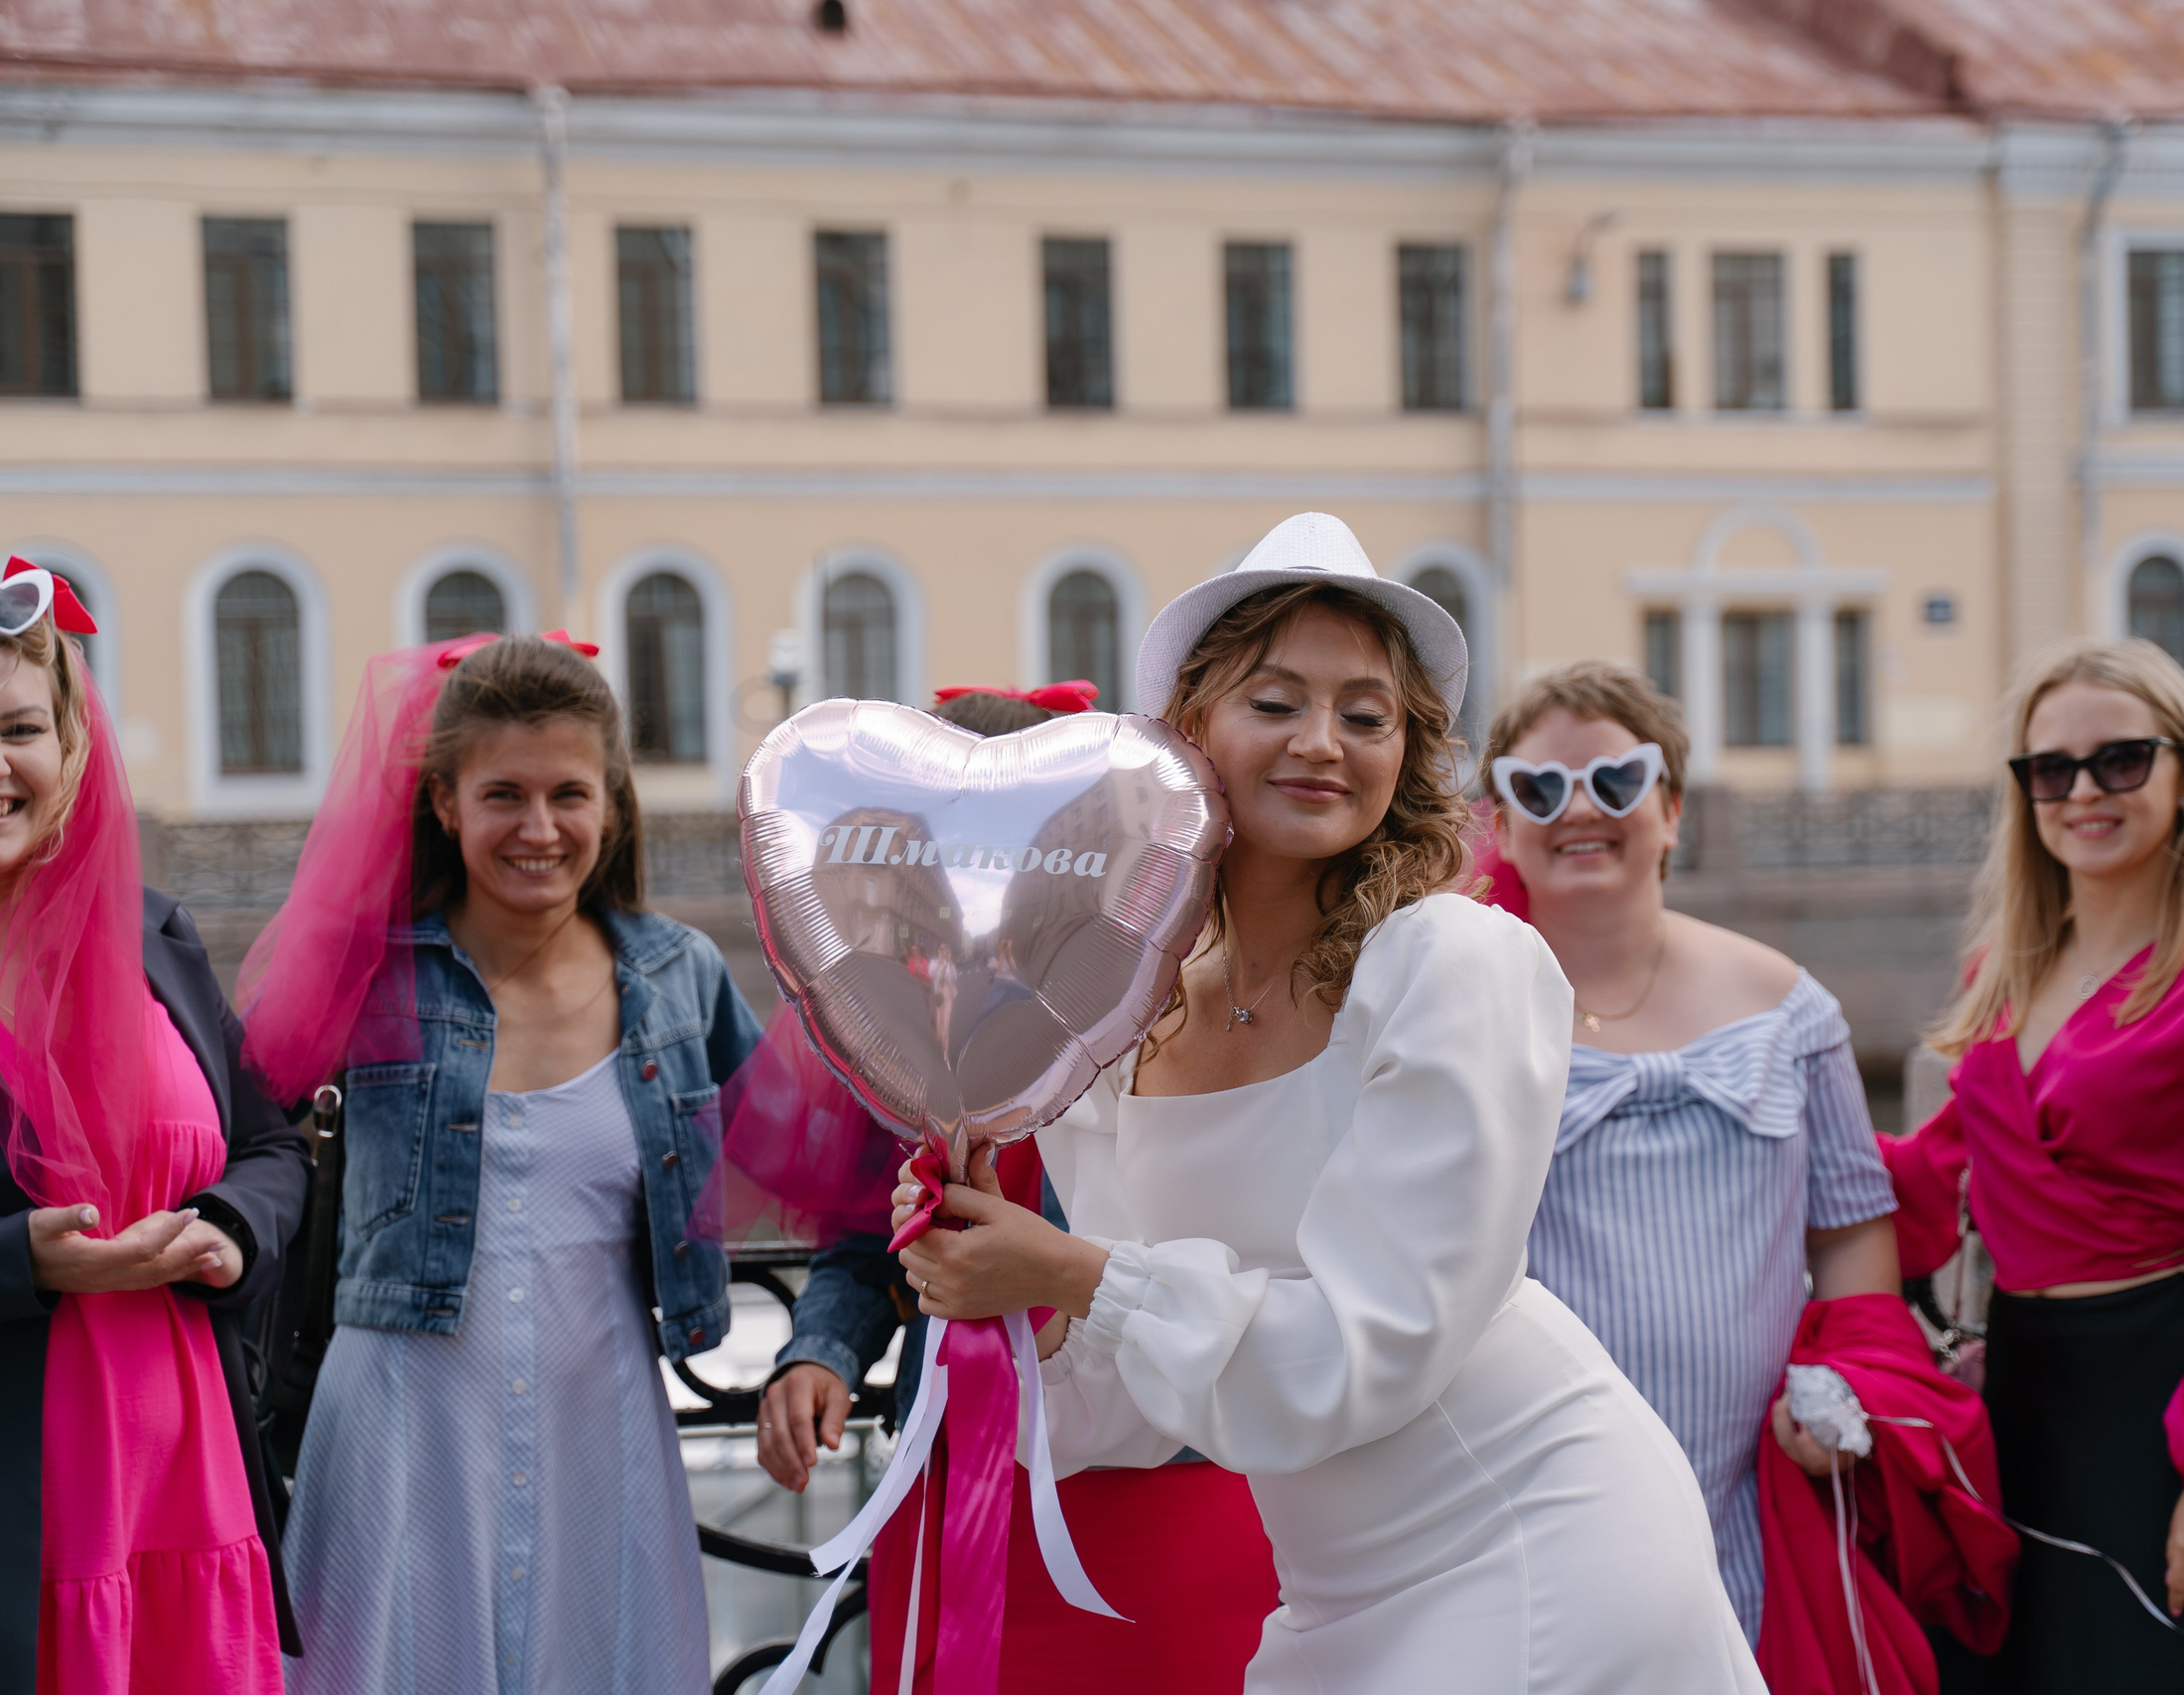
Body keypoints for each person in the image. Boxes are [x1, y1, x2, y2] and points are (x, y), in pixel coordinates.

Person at [889, 512, 1763, 1693]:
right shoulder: (1112, 1014)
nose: (1323, 744)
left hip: (1538, 1532)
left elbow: (1376, 1346)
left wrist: (1068, 1272)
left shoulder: (1453, 967)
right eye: (1276, 701)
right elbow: (1135, 1409)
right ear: (1190, 725)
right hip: (1338, 1589)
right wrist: (1010, 1283)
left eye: (1366, 716)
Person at [242, 635, 760, 1695]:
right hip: (397, 1443)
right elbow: (240, 1154)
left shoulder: (679, 978)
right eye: (502, 795)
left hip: (602, 1442)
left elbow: (829, 1162)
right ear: (445, 803)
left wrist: (825, 1354)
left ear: (610, 801)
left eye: (568, 793)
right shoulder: (363, 977)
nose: (539, 829)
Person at [756, 678, 1282, 1693]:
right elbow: (871, 1245)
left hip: (1159, 1483)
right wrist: (817, 1353)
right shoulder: (891, 1019)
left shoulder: (1175, 1002)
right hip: (957, 1477)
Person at [1882, 636, 2184, 1692]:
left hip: (2169, 1396)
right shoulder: (1999, 977)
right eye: (2051, 769)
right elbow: (1926, 1182)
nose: (2082, 790)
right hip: (2027, 1391)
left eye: (2120, 760)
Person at [1478, 659, 1903, 1639]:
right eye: (1540, 788)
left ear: (1669, 810)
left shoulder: (1789, 1006)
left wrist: (1846, 1382)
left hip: (1754, 1495)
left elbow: (1848, 1229)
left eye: (1615, 781)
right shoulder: (1464, 1016)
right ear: (1499, 824)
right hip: (1535, 1500)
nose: (1579, 809)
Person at [0, 559, 307, 1694]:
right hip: (30, 1520)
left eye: (19, 728)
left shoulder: (152, 933)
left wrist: (229, 1226)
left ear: (73, 746)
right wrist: (23, 1261)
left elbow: (273, 1146)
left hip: (194, 1485)